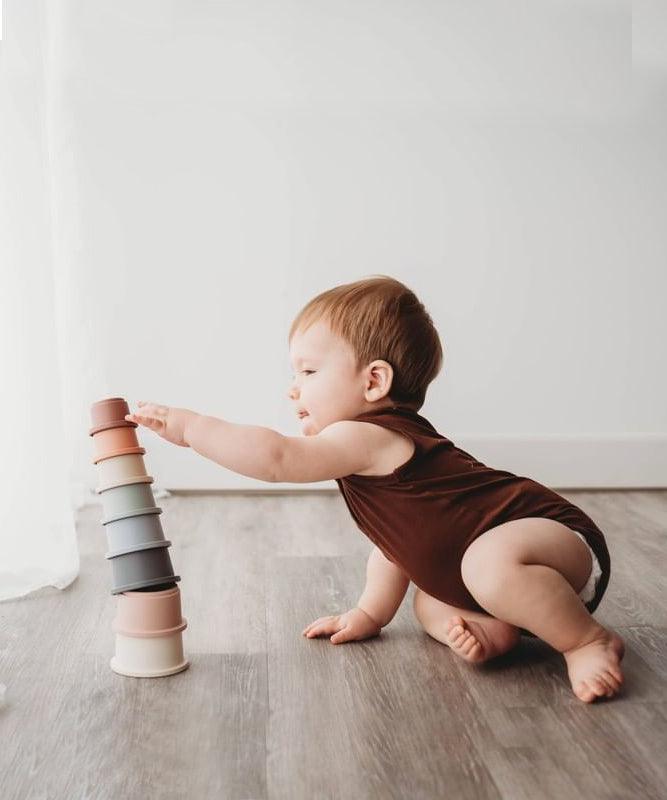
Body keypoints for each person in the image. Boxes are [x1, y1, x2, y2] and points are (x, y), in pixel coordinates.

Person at [125, 275, 625, 703]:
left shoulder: (369, 434)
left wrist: (191, 428)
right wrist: (369, 613)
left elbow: (277, 458)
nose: (293, 388)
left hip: (553, 539)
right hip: (507, 573)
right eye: (293, 372)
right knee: (431, 601)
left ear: (373, 383)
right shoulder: (366, 454)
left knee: (485, 565)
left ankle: (586, 642)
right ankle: (496, 628)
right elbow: (398, 547)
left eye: (309, 371)